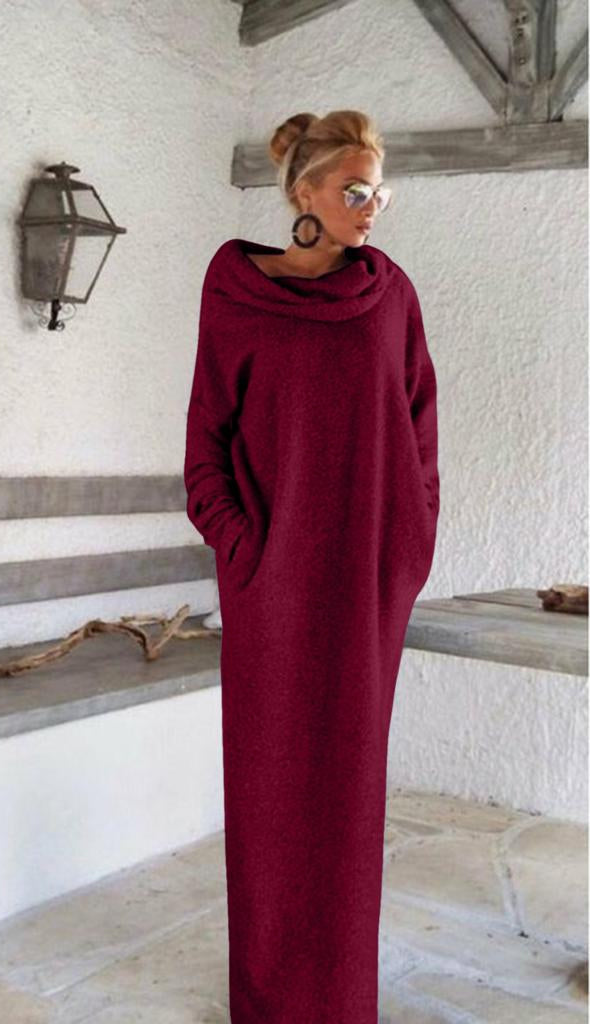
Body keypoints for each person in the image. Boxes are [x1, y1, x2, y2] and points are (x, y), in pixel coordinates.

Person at [184, 109, 440, 1024]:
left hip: (365, 586)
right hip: (270, 594)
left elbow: (420, 430)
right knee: (269, 794)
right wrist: (243, 549)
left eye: (380, 193)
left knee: (346, 800)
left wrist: (410, 546)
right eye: (355, 190)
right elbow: (206, 443)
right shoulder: (233, 293)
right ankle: (265, 1003)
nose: (372, 208)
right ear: (304, 193)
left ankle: (337, 1002)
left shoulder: (392, 295)